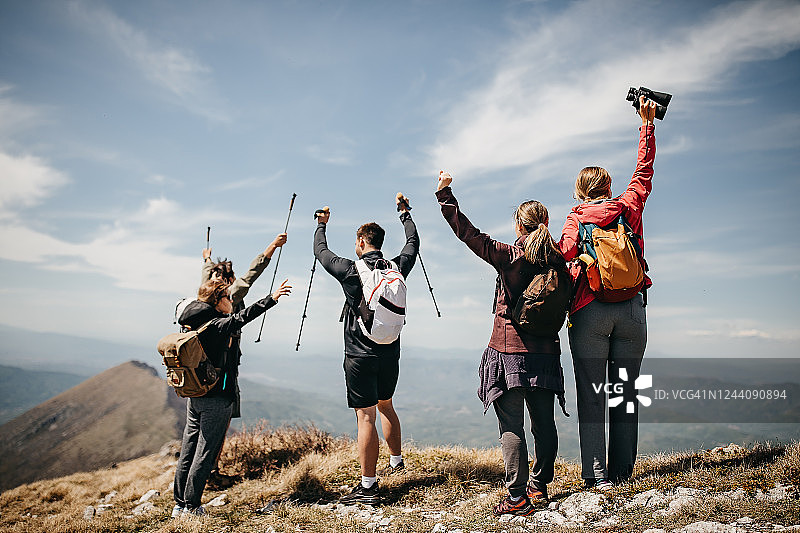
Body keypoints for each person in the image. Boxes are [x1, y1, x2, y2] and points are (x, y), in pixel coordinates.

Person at [435, 172, 568, 517]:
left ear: (519, 228)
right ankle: (539, 487)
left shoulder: (510, 256)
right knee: (544, 423)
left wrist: (445, 195)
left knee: (512, 426)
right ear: (546, 223)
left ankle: (517, 498)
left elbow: (468, 234)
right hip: (546, 353)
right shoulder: (560, 261)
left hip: (509, 351)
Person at [557, 96, 657, 489]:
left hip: (590, 312)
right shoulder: (628, 206)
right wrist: (646, 125)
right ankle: (623, 473)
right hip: (632, 310)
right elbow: (644, 173)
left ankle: (597, 478)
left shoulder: (576, 219)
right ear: (609, 187)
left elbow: (563, 253)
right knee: (626, 394)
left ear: (580, 192)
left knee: (593, 396)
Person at [313, 195, 418, 505]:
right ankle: (396, 463)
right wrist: (405, 213)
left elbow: (321, 252)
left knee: (366, 418)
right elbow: (413, 243)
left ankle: (369, 487)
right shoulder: (397, 266)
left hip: (359, 355)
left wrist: (321, 224)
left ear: (361, 242)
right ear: (380, 243)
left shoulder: (349, 270)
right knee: (386, 404)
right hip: (390, 352)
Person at [172, 277, 291, 517]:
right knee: (205, 453)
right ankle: (192, 506)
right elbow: (243, 317)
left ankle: (179, 504)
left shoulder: (193, 324)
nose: (231, 301)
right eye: (227, 297)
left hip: (195, 396)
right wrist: (272, 298)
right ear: (217, 301)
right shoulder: (216, 325)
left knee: (189, 448)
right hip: (217, 398)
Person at [197, 233, 287, 487]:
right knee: (220, 422)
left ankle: (201, 472)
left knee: (200, 425)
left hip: (203, 369)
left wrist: (207, 260)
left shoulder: (204, 295)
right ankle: (210, 473)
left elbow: (207, 273)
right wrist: (271, 247)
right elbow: (251, 274)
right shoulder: (228, 295)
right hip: (224, 369)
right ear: (227, 282)